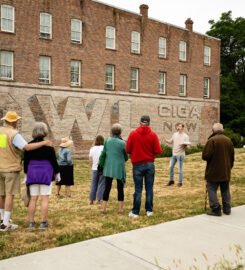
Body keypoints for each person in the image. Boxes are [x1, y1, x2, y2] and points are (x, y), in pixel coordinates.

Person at [0, 111, 53, 232]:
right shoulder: (13, 134)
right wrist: (45, 142)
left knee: (1, 195)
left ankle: (3, 219)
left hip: (0, 167)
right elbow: (27, 147)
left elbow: (4, 148)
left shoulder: (1, 132)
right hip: (10, 168)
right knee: (9, 195)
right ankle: (5, 224)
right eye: (16, 120)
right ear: (13, 122)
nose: (17, 122)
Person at [24, 122, 60, 229]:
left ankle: (31, 222)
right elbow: (54, 161)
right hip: (45, 173)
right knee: (45, 198)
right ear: (45, 131)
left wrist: (26, 173)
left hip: (32, 173)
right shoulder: (48, 146)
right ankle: (43, 223)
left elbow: (25, 162)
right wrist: (57, 174)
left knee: (33, 199)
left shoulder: (29, 145)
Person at [126, 115, 162, 218]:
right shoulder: (153, 135)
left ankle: (135, 211)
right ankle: (149, 210)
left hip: (137, 164)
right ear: (149, 123)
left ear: (139, 122)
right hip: (150, 164)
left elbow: (128, 149)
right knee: (149, 188)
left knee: (138, 189)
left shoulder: (133, 134)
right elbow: (158, 151)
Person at [202, 123, 234, 216]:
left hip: (214, 171)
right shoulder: (229, 140)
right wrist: (229, 167)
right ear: (222, 130)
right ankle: (227, 208)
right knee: (225, 189)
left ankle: (216, 208)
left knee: (211, 188)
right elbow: (232, 157)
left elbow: (205, 156)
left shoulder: (212, 140)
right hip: (226, 170)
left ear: (212, 130)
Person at [101, 124, 128, 214]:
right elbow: (126, 156)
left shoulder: (107, 141)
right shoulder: (123, 143)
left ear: (111, 132)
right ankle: (120, 209)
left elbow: (104, 153)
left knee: (107, 188)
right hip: (119, 167)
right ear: (120, 132)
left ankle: (103, 209)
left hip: (108, 167)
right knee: (120, 188)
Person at [162, 123, 190, 187]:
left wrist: (185, 146)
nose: (179, 127)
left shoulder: (186, 136)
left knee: (180, 169)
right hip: (174, 154)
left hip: (180, 154)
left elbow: (188, 147)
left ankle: (180, 182)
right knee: (170, 167)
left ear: (182, 128)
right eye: (178, 126)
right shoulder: (174, 134)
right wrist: (165, 139)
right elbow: (170, 142)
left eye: (180, 126)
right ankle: (171, 181)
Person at [89, 135, 105, 205]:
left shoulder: (92, 149)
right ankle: (99, 200)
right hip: (102, 168)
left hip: (94, 168)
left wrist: (92, 167)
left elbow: (90, 159)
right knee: (101, 184)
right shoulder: (104, 148)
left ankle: (91, 200)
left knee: (93, 184)